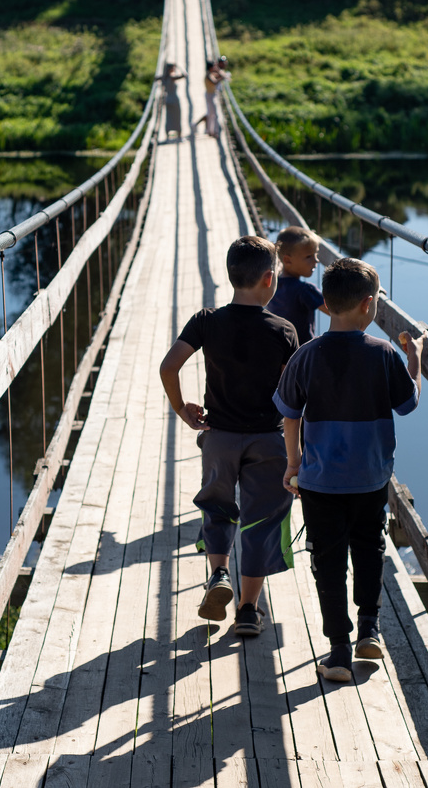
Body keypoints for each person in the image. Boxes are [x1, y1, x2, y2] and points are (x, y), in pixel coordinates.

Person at [274, 258, 423, 683]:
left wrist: (293, 463)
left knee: (328, 560)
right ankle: (370, 629)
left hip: (319, 481)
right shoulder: (382, 352)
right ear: (368, 305)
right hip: (370, 478)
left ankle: (338, 650)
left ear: (325, 302)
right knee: (369, 548)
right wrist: (417, 360)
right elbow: (408, 403)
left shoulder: (306, 355)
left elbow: (288, 413)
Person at [158, 236, 299, 637]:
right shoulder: (284, 330)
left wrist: (180, 407)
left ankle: (219, 573)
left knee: (218, 507)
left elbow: (169, 367)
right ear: (270, 279)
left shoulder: (206, 321)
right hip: (268, 440)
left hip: (218, 436)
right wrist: (298, 454)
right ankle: (249, 611)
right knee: (262, 520)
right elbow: (295, 396)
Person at [266, 226, 329, 345]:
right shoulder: (305, 290)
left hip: (278, 349)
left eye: (316, 254)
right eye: (309, 257)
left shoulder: (272, 284)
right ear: (288, 260)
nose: (316, 261)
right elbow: (336, 312)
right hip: (302, 353)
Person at [160, 62, 185, 139]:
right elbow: (184, 75)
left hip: (167, 99)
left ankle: (167, 135)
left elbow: (155, 78)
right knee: (177, 117)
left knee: (169, 118)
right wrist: (178, 67)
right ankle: (179, 134)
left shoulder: (164, 77)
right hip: (174, 99)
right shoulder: (172, 77)